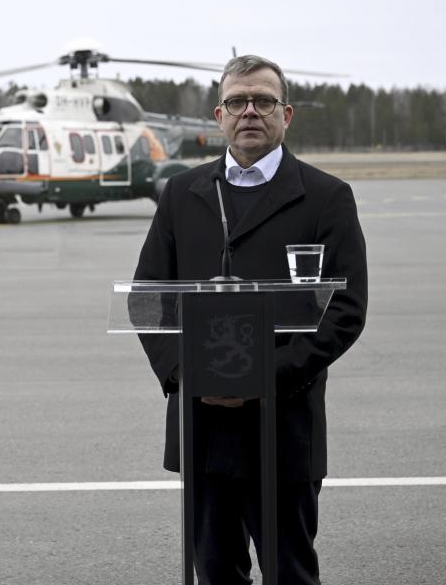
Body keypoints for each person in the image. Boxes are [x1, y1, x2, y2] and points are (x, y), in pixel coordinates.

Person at [134, 55, 367, 584]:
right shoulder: (182, 194)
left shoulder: (327, 197)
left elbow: (346, 311)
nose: (250, 112)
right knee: (216, 572)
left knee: (290, 573)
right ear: (219, 116)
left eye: (263, 101)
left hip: (284, 426)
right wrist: (184, 375)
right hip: (203, 426)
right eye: (237, 102)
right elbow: (146, 299)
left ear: (286, 114)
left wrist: (267, 376)